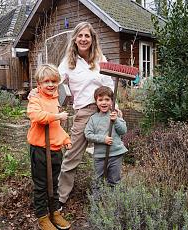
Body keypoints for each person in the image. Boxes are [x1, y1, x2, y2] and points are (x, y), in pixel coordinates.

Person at [57, 22, 116, 206]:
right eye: (80, 35)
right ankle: (61, 197)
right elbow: (54, 80)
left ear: (92, 39)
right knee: (72, 155)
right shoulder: (68, 62)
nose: (83, 39)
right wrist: (39, 93)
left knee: (108, 153)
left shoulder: (99, 58)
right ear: (75, 38)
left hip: (103, 111)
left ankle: (105, 195)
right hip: (83, 112)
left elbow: (109, 83)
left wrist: (115, 105)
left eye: (87, 36)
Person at [27, 64, 72, 230]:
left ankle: (55, 212)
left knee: (54, 183)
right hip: (39, 150)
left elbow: (56, 127)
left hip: (54, 150)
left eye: (54, 81)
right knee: (41, 185)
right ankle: (42, 216)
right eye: (46, 81)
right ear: (39, 83)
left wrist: (65, 139)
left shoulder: (55, 100)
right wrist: (56, 116)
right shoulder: (35, 99)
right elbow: (36, 116)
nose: (51, 84)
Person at [84, 86, 127, 190]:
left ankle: (112, 204)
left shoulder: (115, 116)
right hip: (100, 156)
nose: (104, 102)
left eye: (107, 99)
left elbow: (123, 131)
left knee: (114, 181)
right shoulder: (93, 119)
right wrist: (103, 139)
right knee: (98, 181)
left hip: (116, 154)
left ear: (112, 101)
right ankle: (97, 204)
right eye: (100, 100)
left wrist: (116, 120)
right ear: (96, 102)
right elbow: (88, 134)